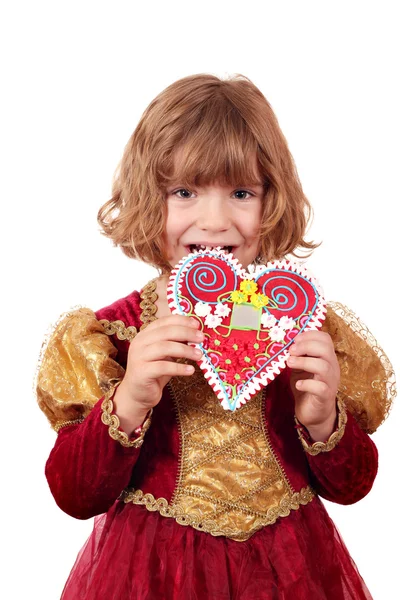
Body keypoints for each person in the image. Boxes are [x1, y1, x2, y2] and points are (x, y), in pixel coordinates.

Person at [36, 73, 395, 599]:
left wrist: (323, 422)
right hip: (151, 572)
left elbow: (353, 485)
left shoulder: (297, 327)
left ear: (271, 201)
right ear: (145, 198)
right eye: (184, 192)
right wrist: (130, 398)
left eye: (241, 193)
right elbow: (74, 493)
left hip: (287, 573)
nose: (215, 219)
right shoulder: (113, 334)